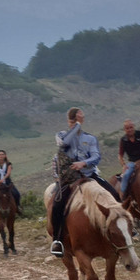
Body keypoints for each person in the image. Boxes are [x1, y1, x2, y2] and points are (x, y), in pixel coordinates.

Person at [49, 107, 120, 257]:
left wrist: (84, 163)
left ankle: (122, 231)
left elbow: (96, 156)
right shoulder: (62, 135)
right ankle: (57, 240)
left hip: (89, 174)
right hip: (69, 178)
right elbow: (63, 144)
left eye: (76, 120)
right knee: (57, 204)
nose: (73, 123)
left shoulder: (90, 139)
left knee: (114, 194)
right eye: (71, 121)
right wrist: (77, 126)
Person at [118, 119, 140, 201]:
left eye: (131, 127)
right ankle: (122, 196)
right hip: (132, 163)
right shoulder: (123, 140)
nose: (129, 130)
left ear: (134, 127)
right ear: (124, 129)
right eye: (127, 128)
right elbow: (120, 155)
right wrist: (123, 165)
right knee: (126, 175)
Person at [0, 149, 22, 214]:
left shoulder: (8, 164)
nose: (1, 156)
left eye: (2, 154)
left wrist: (3, 179)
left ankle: (18, 206)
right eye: (0, 155)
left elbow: (8, 173)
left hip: (7, 183)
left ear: (5, 156)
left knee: (17, 193)